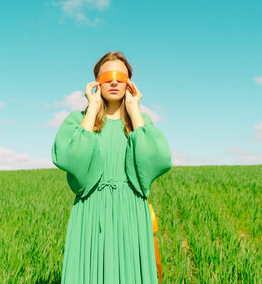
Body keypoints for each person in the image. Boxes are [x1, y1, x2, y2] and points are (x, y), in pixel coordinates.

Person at [51, 51, 173, 283]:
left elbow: (158, 159)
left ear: (129, 83)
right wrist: (93, 109)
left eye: (121, 76)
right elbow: (69, 157)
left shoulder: (141, 120)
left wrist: (135, 110)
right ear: (96, 83)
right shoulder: (77, 120)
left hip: (131, 211)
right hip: (91, 210)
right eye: (107, 77)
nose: (114, 81)